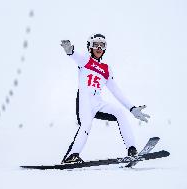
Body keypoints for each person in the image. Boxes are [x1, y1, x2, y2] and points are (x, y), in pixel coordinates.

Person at [60, 34, 150, 164]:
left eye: (102, 45)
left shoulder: (106, 69)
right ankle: (72, 156)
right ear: (90, 47)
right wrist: (70, 51)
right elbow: (75, 56)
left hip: (98, 103)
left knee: (120, 112)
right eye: (96, 44)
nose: (98, 47)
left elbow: (116, 90)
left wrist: (132, 108)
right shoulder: (85, 60)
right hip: (85, 101)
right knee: (86, 125)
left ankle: (132, 150)